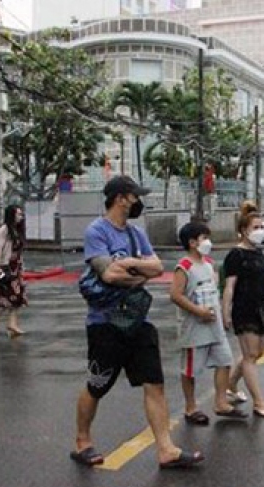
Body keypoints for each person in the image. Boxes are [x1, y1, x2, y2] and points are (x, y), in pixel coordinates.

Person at [72, 176, 204, 468]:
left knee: (154, 383)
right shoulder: (97, 231)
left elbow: (157, 267)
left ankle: (166, 449)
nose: (138, 202)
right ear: (121, 198)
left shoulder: (136, 234)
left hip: (137, 321)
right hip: (104, 323)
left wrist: (129, 268)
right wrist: (139, 272)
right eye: (134, 196)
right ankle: (82, 441)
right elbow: (108, 274)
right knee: (98, 385)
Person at [171, 222, 247, 425]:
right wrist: (198, 311)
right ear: (192, 242)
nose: (208, 242)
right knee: (190, 371)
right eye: (204, 238)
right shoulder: (184, 267)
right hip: (194, 329)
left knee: (224, 361)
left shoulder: (208, 264)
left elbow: (216, 292)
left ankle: (221, 403)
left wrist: (224, 315)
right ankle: (190, 407)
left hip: (215, 327)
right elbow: (176, 295)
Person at [222, 201, 264, 419]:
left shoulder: (258, 252)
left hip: (262, 308)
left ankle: (231, 385)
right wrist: (226, 312)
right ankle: (259, 403)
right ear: (243, 231)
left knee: (257, 352)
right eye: (255, 227)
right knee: (250, 355)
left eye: (261, 226)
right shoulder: (236, 255)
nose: (260, 231)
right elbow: (229, 287)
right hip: (244, 309)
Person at [0, 204, 28, 337]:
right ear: (11, 215)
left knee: (11, 296)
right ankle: (4, 322)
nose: (20, 217)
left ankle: (7, 322)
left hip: (16, 267)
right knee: (10, 296)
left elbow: (19, 251)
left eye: (21, 214)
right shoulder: (4, 230)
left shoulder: (17, 230)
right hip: (6, 266)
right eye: (18, 214)